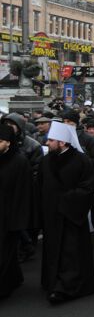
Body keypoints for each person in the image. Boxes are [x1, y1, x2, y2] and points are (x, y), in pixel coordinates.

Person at [40, 121, 94, 304]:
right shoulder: (46, 161)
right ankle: (53, 283)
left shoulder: (81, 161)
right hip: (51, 215)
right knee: (52, 250)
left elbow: (88, 187)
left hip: (71, 215)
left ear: (62, 142)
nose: (47, 143)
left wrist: (66, 201)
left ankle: (66, 287)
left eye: (51, 140)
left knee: (71, 253)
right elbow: (39, 185)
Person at [0, 124, 32, 299]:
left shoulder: (19, 162)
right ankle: (14, 278)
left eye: (0, 141)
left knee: (4, 253)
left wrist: (19, 220)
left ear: (9, 143)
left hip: (9, 215)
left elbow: (24, 193)